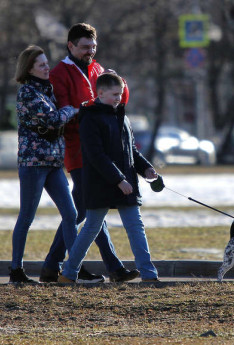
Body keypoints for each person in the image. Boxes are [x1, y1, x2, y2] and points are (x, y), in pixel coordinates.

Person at [40, 23, 139, 283]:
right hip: (79, 151)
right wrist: (91, 108)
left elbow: (119, 103)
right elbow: (65, 110)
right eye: (84, 47)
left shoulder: (98, 69)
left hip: (103, 154)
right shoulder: (60, 73)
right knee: (85, 211)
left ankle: (54, 267)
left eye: (93, 47)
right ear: (70, 46)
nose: (90, 52)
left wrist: (121, 84)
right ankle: (88, 267)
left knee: (89, 211)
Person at [58, 73, 159, 283]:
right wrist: (118, 180)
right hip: (100, 185)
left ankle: (149, 275)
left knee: (135, 226)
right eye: (114, 94)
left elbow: (131, 151)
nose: (118, 98)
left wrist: (146, 168)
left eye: (120, 94)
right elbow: (96, 156)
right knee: (91, 227)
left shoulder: (122, 117)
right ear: (100, 93)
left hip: (125, 184)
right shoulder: (90, 118)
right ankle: (68, 273)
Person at [10, 45, 79, 283]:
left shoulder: (47, 90)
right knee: (27, 217)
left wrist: (66, 109)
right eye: (41, 64)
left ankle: (72, 269)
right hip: (33, 163)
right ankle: (16, 271)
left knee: (71, 214)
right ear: (29, 69)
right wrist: (72, 108)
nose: (46, 67)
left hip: (53, 163)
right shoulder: (28, 92)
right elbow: (52, 119)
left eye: (47, 62)